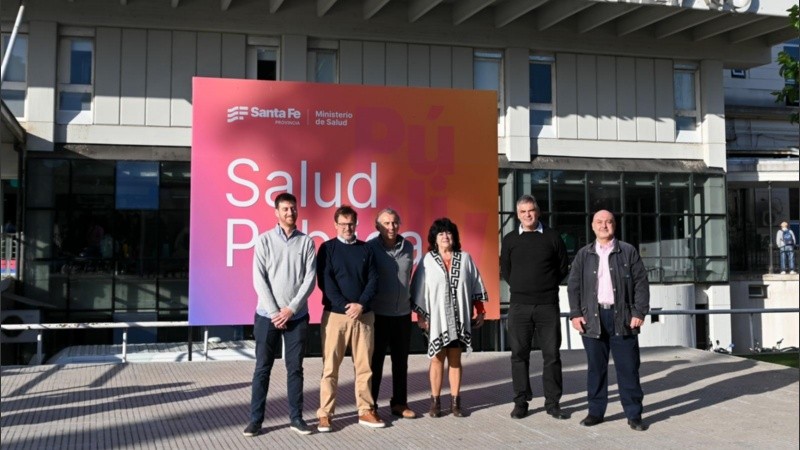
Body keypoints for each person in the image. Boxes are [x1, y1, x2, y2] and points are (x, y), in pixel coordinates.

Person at [567, 210, 650, 432]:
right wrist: (575, 314)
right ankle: (595, 412)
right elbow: (573, 286)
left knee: (629, 369)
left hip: (622, 318)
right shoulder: (584, 254)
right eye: (600, 222)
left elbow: (641, 283)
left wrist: (639, 312)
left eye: (609, 222)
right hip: (593, 318)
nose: (604, 225)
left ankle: (634, 415)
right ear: (592, 226)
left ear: (615, 225)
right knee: (596, 369)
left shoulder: (628, 251)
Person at [243, 192, 317, 437]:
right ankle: (256, 420)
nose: (290, 213)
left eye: (293, 208)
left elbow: (309, 280)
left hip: (296, 317)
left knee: (295, 368)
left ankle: (296, 418)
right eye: (285, 209)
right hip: (267, 316)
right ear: (276, 212)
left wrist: (291, 309)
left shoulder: (306, 242)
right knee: (262, 368)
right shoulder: (264, 241)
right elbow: (258, 278)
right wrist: (276, 312)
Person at [500, 194, 569, 420]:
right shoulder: (510, 239)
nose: (527, 215)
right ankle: (521, 402)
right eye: (523, 212)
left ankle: (553, 403)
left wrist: (545, 287)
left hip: (547, 305)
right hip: (519, 306)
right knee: (519, 355)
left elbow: (562, 267)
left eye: (531, 210)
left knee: (551, 355)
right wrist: (523, 288)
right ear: (517, 215)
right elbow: (507, 270)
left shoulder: (552, 237)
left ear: (537, 212)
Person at [411, 217, 488, 418]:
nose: (445, 236)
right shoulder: (428, 260)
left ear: (453, 237)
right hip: (435, 319)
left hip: (459, 318)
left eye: (448, 233)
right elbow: (420, 289)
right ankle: (435, 402)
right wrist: (421, 315)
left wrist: (480, 309)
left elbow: (474, 285)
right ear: (434, 239)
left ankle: (455, 402)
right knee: (437, 359)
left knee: (455, 359)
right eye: (441, 233)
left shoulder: (465, 259)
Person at [317, 205, 384, 432]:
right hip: (336, 317)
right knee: (330, 368)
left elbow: (373, 280)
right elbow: (325, 283)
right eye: (343, 224)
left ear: (356, 224)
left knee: (364, 367)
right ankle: (325, 414)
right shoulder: (327, 249)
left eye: (351, 224)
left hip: (364, 317)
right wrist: (346, 306)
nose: (347, 228)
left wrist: (361, 305)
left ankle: (365, 410)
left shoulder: (366, 250)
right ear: (335, 225)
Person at [368, 208, 417, 419]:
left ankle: (399, 403)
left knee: (400, 361)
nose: (391, 227)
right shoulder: (370, 248)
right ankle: (370, 405)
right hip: (379, 314)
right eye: (386, 223)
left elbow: (410, 276)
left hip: (403, 314)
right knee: (375, 362)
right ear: (377, 226)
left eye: (395, 222)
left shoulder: (408, 247)